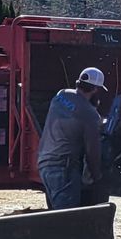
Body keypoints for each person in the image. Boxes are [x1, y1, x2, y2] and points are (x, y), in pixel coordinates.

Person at [35, 66, 106, 209]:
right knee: (67, 220)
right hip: (63, 170)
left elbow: (73, 113)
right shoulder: (90, 114)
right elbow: (92, 151)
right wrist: (97, 177)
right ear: (95, 90)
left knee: (55, 214)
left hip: (44, 164)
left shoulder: (60, 96)